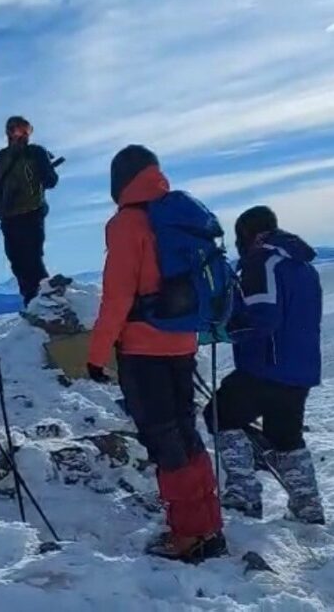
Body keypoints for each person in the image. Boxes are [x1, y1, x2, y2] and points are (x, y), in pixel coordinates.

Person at [86, 145, 225, 562]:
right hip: (182, 342)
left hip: (144, 348)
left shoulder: (127, 223)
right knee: (185, 432)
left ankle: (187, 536)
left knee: (164, 439)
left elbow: (117, 295)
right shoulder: (178, 214)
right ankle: (208, 525)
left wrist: (97, 355)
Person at [203, 206, 325, 524]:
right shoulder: (303, 266)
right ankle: (308, 506)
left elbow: (263, 315)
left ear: (249, 235)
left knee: (219, 414)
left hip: (266, 365)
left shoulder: (262, 261)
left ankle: (243, 495)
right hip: (301, 370)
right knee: (285, 435)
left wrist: (224, 330)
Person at [0, 116, 60, 306]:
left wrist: (43, 166)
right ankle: (35, 305)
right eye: (18, 130)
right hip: (10, 219)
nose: (23, 135)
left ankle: (49, 304)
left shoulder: (35, 153)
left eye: (26, 130)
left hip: (31, 215)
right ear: (9, 132)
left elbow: (51, 182)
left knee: (31, 260)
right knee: (19, 264)